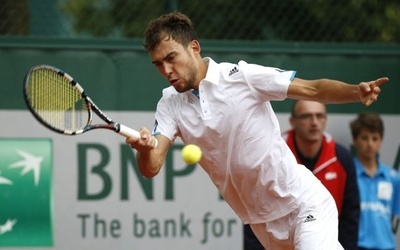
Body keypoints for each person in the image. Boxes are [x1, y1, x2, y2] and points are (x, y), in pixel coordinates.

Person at [125, 12, 388, 250]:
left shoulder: (242, 77)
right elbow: (152, 166)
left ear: (194, 48)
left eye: (171, 58)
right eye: (158, 64)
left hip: (303, 204)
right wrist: (144, 150)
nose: (167, 70)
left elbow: (313, 89)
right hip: (261, 224)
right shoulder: (169, 104)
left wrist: (355, 91)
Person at [244, 100, 360, 250]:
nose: (314, 122)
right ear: (292, 121)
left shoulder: (341, 157)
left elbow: (350, 216)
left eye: (320, 116)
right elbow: (256, 212)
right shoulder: (274, 155)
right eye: (306, 116)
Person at [350, 113, 400, 250]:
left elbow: (393, 217)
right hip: (357, 246)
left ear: (381, 141)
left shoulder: (394, 178)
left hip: (386, 246)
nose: (370, 144)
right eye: (364, 138)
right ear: (355, 140)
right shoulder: (349, 175)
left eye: (375, 138)